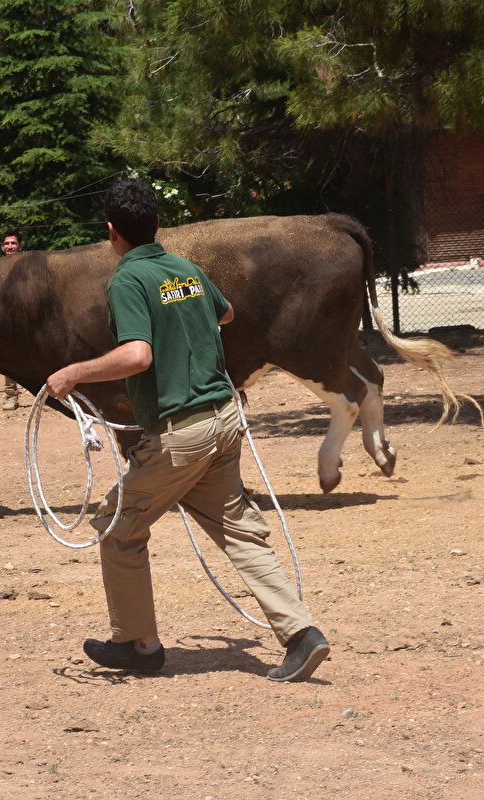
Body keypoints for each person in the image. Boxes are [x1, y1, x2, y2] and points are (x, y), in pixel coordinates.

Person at [45, 178, 329, 682]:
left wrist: (74, 373)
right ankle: (302, 634)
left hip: (181, 434)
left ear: (111, 232)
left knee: (118, 529)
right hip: (223, 421)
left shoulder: (127, 280)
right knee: (239, 533)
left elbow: (137, 354)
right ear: (157, 224)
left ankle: (138, 644)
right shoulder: (185, 269)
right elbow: (227, 312)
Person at [0, 231, 23, 409]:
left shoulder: (27, 265)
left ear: (19, 246)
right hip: (8, 319)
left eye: (13, 243)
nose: (10, 246)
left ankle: (50, 395)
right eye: (7, 243)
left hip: (31, 318)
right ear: (2, 247)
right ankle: (10, 396)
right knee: (9, 358)